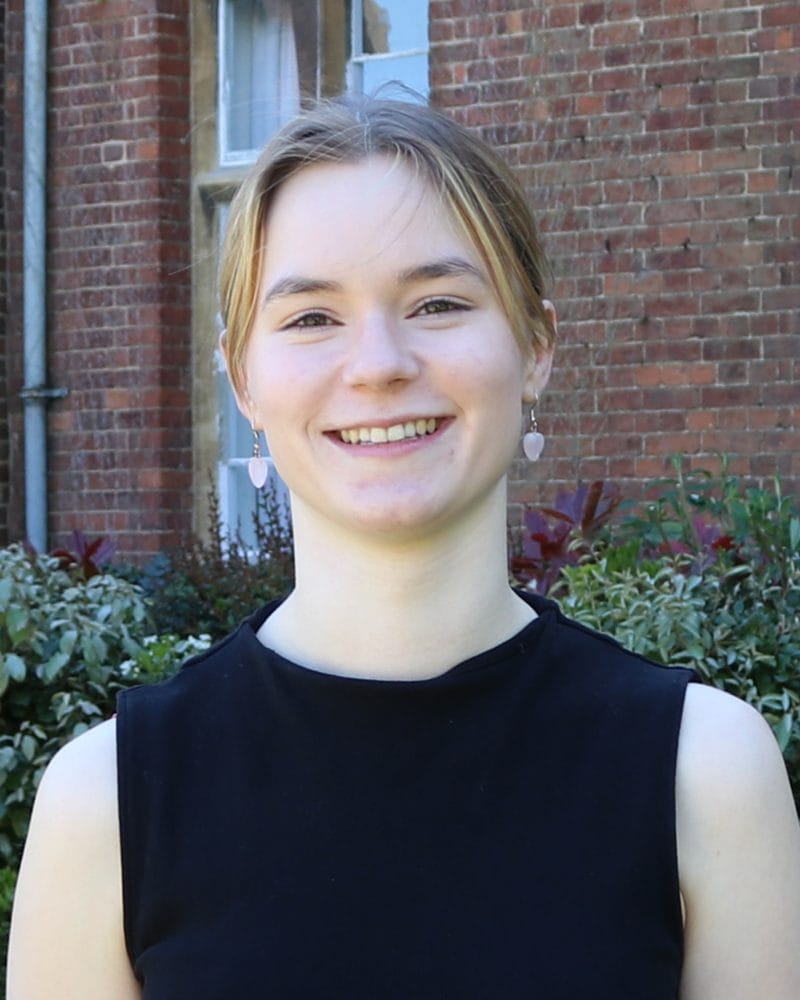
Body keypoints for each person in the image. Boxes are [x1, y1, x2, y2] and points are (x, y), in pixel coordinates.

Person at [7, 95, 800, 999]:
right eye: (312, 317)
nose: (380, 362)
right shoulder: (108, 803)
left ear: (536, 347)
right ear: (244, 380)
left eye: (438, 303)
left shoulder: (704, 774)